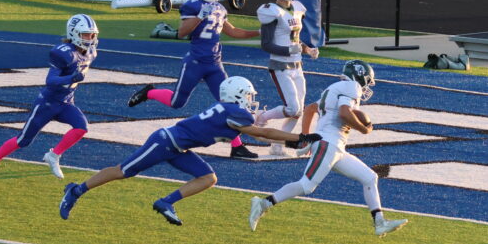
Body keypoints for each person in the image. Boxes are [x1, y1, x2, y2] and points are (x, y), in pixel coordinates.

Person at [60, 76, 320, 226]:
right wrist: (298, 138)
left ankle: (165, 202)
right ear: (238, 95)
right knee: (123, 171)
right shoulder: (234, 112)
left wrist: (295, 141)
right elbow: (263, 134)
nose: (251, 101)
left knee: (208, 178)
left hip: (178, 147)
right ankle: (76, 190)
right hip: (165, 141)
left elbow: (259, 134)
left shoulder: (230, 111)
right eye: (248, 96)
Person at [248, 60, 407, 237]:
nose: (366, 86)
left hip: (335, 146)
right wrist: (364, 129)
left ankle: (379, 222)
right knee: (306, 186)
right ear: (360, 76)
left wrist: (306, 136)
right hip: (329, 143)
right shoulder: (352, 86)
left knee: (370, 177)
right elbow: (344, 113)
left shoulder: (334, 88)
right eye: (367, 80)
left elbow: (310, 109)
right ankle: (263, 204)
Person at [126, 0, 262, 159]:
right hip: (195, 63)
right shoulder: (192, 5)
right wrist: (199, 16)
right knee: (177, 103)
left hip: (215, 64)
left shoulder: (219, 8)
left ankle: (237, 146)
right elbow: (182, 32)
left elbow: (233, 31)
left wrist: (258, 32)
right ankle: (149, 92)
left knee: (230, 104)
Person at [0, 14, 99, 179]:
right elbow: (50, 81)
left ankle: (53, 155)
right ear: (74, 33)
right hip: (47, 104)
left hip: (66, 102)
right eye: (86, 34)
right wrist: (71, 78)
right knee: (23, 140)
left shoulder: (91, 52)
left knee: (81, 127)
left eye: (92, 34)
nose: (90, 38)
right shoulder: (64, 53)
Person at [252, 0, 319, 157]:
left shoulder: (297, 8)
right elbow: (266, 45)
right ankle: (262, 117)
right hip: (280, 65)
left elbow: (293, 40)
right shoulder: (271, 11)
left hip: (297, 65)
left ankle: (277, 145)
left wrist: (307, 49)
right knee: (293, 108)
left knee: (298, 112)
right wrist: (289, 50)